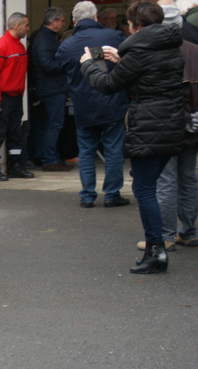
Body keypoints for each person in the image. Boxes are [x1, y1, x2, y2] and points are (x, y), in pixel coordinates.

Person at [81, 0, 184, 273]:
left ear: (134, 25)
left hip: (149, 125)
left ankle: (156, 251)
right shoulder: (171, 46)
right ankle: (157, 248)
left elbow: (107, 85)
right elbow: (148, 77)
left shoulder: (139, 52)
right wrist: (121, 60)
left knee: (144, 189)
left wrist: (89, 65)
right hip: (172, 123)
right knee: (151, 184)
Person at [134, 0, 198, 250]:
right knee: (188, 177)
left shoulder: (154, 51)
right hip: (193, 123)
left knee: (166, 180)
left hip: (166, 124)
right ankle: (189, 230)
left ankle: (166, 235)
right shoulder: (194, 49)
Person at [57, 1, 130, 209]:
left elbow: (61, 67)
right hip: (112, 102)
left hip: (83, 105)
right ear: (96, 17)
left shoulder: (67, 45)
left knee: (86, 151)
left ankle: (87, 195)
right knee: (113, 149)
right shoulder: (113, 36)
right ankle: (112, 194)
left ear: (73, 21)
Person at [0, 12, 34, 181]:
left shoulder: (19, 46)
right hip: (2, 97)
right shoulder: (0, 46)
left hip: (15, 97)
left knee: (15, 132)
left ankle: (16, 166)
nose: (28, 28)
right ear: (16, 26)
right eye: (26, 25)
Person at [29, 7, 70, 171]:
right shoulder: (44, 40)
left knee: (48, 124)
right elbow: (47, 65)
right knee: (54, 124)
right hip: (52, 89)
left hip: (51, 88)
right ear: (53, 22)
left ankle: (46, 156)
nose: (63, 24)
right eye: (61, 20)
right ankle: (50, 159)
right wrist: (66, 62)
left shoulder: (46, 38)